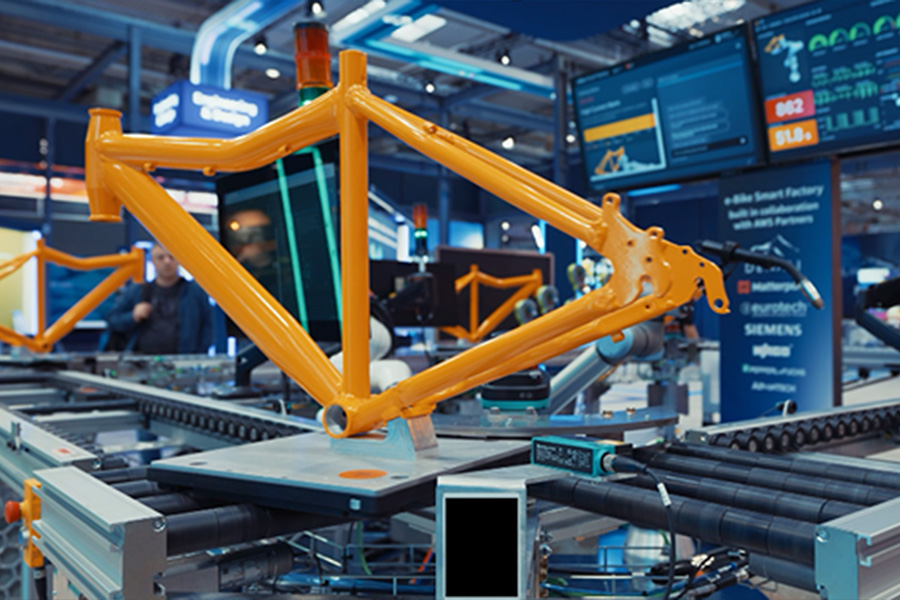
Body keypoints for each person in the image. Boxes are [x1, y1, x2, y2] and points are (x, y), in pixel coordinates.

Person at [105, 243, 213, 354]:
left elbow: (208, 327)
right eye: (161, 257)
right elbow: (112, 320)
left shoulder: (194, 292)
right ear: (152, 261)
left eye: (172, 257)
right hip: (142, 360)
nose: (167, 262)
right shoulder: (137, 291)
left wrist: (197, 357)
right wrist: (133, 316)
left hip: (182, 360)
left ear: (180, 260)